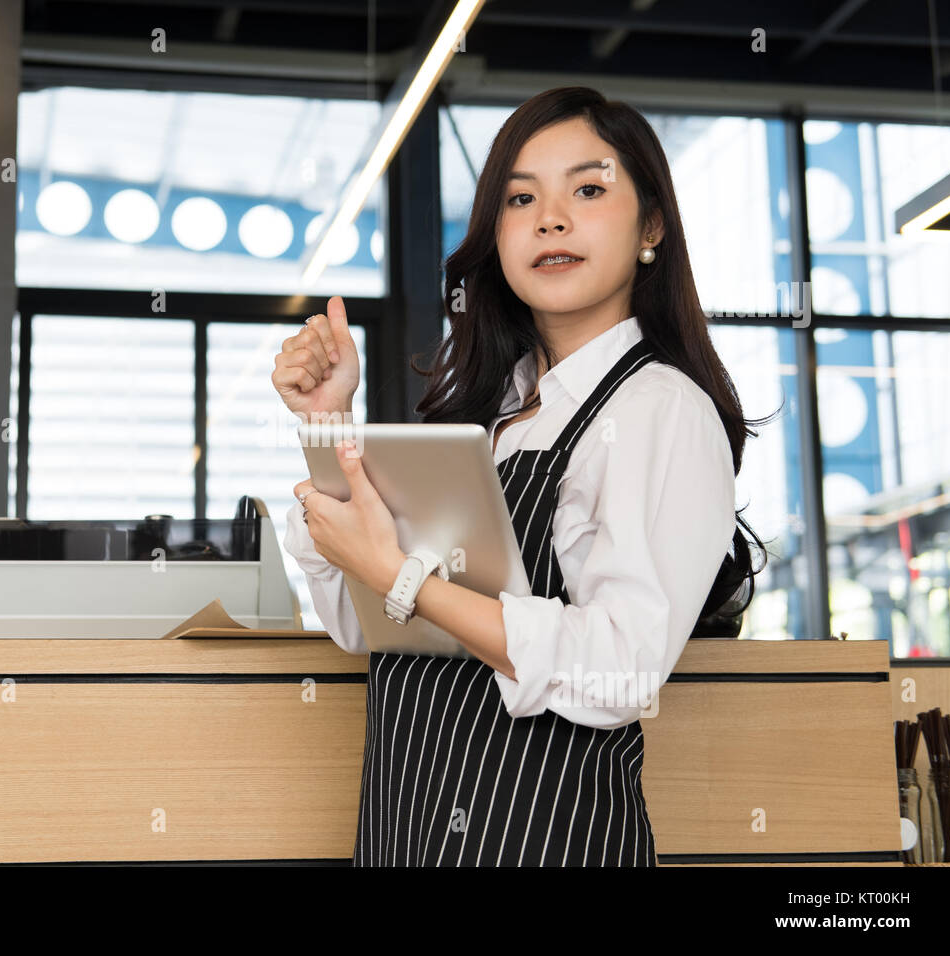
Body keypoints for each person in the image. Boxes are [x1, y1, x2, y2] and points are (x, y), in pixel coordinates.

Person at [270, 86, 774, 867]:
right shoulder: (486, 417)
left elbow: (621, 668)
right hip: (405, 834)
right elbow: (362, 623)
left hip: (546, 843)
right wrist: (328, 421)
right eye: (520, 197)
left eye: (589, 189)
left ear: (651, 227)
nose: (551, 218)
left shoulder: (661, 409)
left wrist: (407, 579)